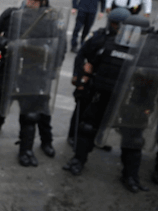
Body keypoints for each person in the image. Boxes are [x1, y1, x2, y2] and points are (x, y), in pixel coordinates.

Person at [0, 0, 67, 167]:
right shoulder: (11, 14)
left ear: (44, 1)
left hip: (33, 74)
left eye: (35, 0)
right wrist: (7, 44)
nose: (31, 2)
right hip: (8, 70)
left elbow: (60, 48)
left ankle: (26, 150)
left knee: (30, 115)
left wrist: (52, 68)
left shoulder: (51, 21)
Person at [63, 15, 153, 193]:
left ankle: (130, 176)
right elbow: (90, 64)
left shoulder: (148, 54)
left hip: (131, 102)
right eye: (127, 31)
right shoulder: (109, 45)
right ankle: (78, 160)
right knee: (88, 128)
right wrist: (83, 80)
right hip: (103, 96)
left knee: (133, 139)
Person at [66, 8, 130, 149]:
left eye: (120, 25)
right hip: (91, 80)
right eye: (114, 24)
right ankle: (73, 135)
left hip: (110, 85)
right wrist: (78, 78)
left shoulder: (128, 42)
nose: (117, 28)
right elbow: (81, 55)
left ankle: (96, 138)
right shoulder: (98, 37)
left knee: (104, 114)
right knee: (81, 109)